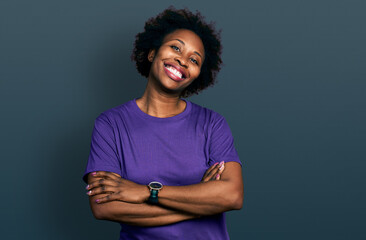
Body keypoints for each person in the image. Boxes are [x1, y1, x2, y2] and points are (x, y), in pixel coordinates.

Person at [82, 6, 244, 240]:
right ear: (152, 53)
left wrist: (145, 192)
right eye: (175, 47)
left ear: (199, 74)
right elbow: (103, 206)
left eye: (194, 60)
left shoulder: (212, 124)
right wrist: (201, 205)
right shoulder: (110, 125)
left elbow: (232, 196)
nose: (183, 60)